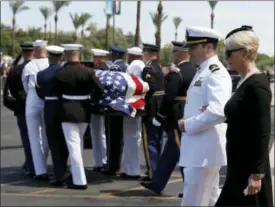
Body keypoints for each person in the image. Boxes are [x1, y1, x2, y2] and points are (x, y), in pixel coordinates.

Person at [215, 25, 273, 207]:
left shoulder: (257, 85)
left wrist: (257, 173)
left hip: (248, 170)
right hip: (238, 166)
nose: (226, 58)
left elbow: (263, 130)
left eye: (230, 52)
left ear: (245, 53)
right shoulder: (244, 81)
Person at [177, 26, 232, 206]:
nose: (189, 52)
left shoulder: (216, 73)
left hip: (203, 152)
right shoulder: (204, 70)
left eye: (193, 47)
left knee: (193, 202)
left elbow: (218, 111)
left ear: (208, 47)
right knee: (208, 201)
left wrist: (188, 124)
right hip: (201, 150)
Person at [141, 41, 196, 195]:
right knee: (170, 153)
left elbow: (169, 97)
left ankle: (189, 187)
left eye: (174, 52)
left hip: (176, 116)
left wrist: (159, 115)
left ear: (179, 54)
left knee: (182, 152)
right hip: (189, 113)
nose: (173, 55)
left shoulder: (177, 72)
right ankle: (157, 183)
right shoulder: (194, 70)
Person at [54, 44, 104, 189]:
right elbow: (100, 88)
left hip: (67, 110)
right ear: (78, 54)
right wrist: (92, 99)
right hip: (84, 110)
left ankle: (79, 181)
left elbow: (55, 92)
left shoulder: (60, 72)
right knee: (78, 143)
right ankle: (75, 174)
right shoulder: (88, 72)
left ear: (65, 55)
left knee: (74, 145)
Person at [35, 45, 69, 187]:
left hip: (49, 108)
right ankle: (64, 170)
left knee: (54, 144)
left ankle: (58, 174)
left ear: (49, 57)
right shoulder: (64, 72)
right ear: (61, 58)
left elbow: (40, 94)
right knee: (66, 142)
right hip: (64, 108)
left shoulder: (41, 75)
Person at [3, 42, 35, 177]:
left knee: (27, 138)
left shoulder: (15, 70)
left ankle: (30, 164)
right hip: (38, 107)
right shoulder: (39, 68)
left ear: (22, 53)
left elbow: (9, 92)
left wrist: (17, 103)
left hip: (22, 107)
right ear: (33, 52)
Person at [22, 40, 49, 180]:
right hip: (47, 99)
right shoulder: (50, 64)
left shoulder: (29, 66)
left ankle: (39, 170)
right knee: (46, 136)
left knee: (34, 137)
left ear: (34, 51)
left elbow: (25, 85)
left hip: (32, 99)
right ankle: (44, 163)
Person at [141, 43, 165, 182]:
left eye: (144, 52)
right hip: (160, 105)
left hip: (152, 106)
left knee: (150, 140)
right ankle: (155, 169)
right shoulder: (158, 66)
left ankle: (152, 171)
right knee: (158, 139)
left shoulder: (148, 68)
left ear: (148, 53)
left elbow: (150, 87)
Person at [102, 45, 128, 175]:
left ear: (116, 55)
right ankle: (115, 164)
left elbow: (110, 84)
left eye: (112, 54)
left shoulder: (115, 67)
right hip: (121, 105)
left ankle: (111, 166)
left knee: (112, 137)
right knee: (118, 137)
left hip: (113, 105)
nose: (110, 55)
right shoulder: (126, 66)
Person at [120, 46, 145, 179]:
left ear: (131, 55)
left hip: (132, 103)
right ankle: (130, 167)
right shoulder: (142, 64)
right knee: (135, 136)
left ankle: (132, 170)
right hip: (139, 104)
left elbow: (129, 85)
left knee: (131, 137)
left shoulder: (134, 66)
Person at [89, 48, 109, 172]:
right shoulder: (108, 69)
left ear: (97, 59)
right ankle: (103, 160)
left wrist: (92, 100)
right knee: (102, 134)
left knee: (97, 134)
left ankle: (99, 162)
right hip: (105, 106)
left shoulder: (96, 71)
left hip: (97, 106)